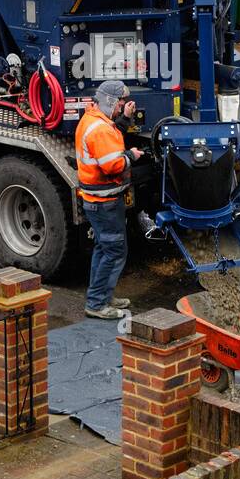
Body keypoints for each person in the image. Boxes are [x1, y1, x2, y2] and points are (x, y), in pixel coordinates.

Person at [76, 80, 144, 320]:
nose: (121, 107)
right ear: (109, 102)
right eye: (120, 104)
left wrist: (124, 119)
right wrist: (131, 156)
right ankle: (96, 303)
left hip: (97, 200)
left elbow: (111, 138)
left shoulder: (93, 120)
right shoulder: (101, 129)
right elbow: (112, 165)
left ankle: (103, 294)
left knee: (103, 248)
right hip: (104, 202)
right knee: (114, 251)